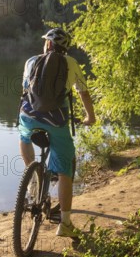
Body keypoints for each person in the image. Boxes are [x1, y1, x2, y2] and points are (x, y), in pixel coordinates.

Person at [18, 28, 95, 238]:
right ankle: (66, 224)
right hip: (56, 121)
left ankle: (33, 176)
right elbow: (83, 93)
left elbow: (26, 89)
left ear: (48, 44)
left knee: (24, 137)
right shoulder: (71, 64)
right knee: (64, 170)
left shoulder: (31, 61)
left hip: (28, 116)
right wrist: (90, 118)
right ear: (64, 48)